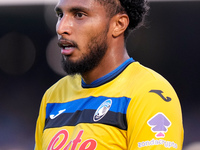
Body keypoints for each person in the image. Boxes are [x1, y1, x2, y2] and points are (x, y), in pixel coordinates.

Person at [35, 0, 184, 149]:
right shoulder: (52, 97)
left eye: (79, 15)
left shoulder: (149, 94)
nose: (61, 28)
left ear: (118, 24)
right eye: (60, 15)